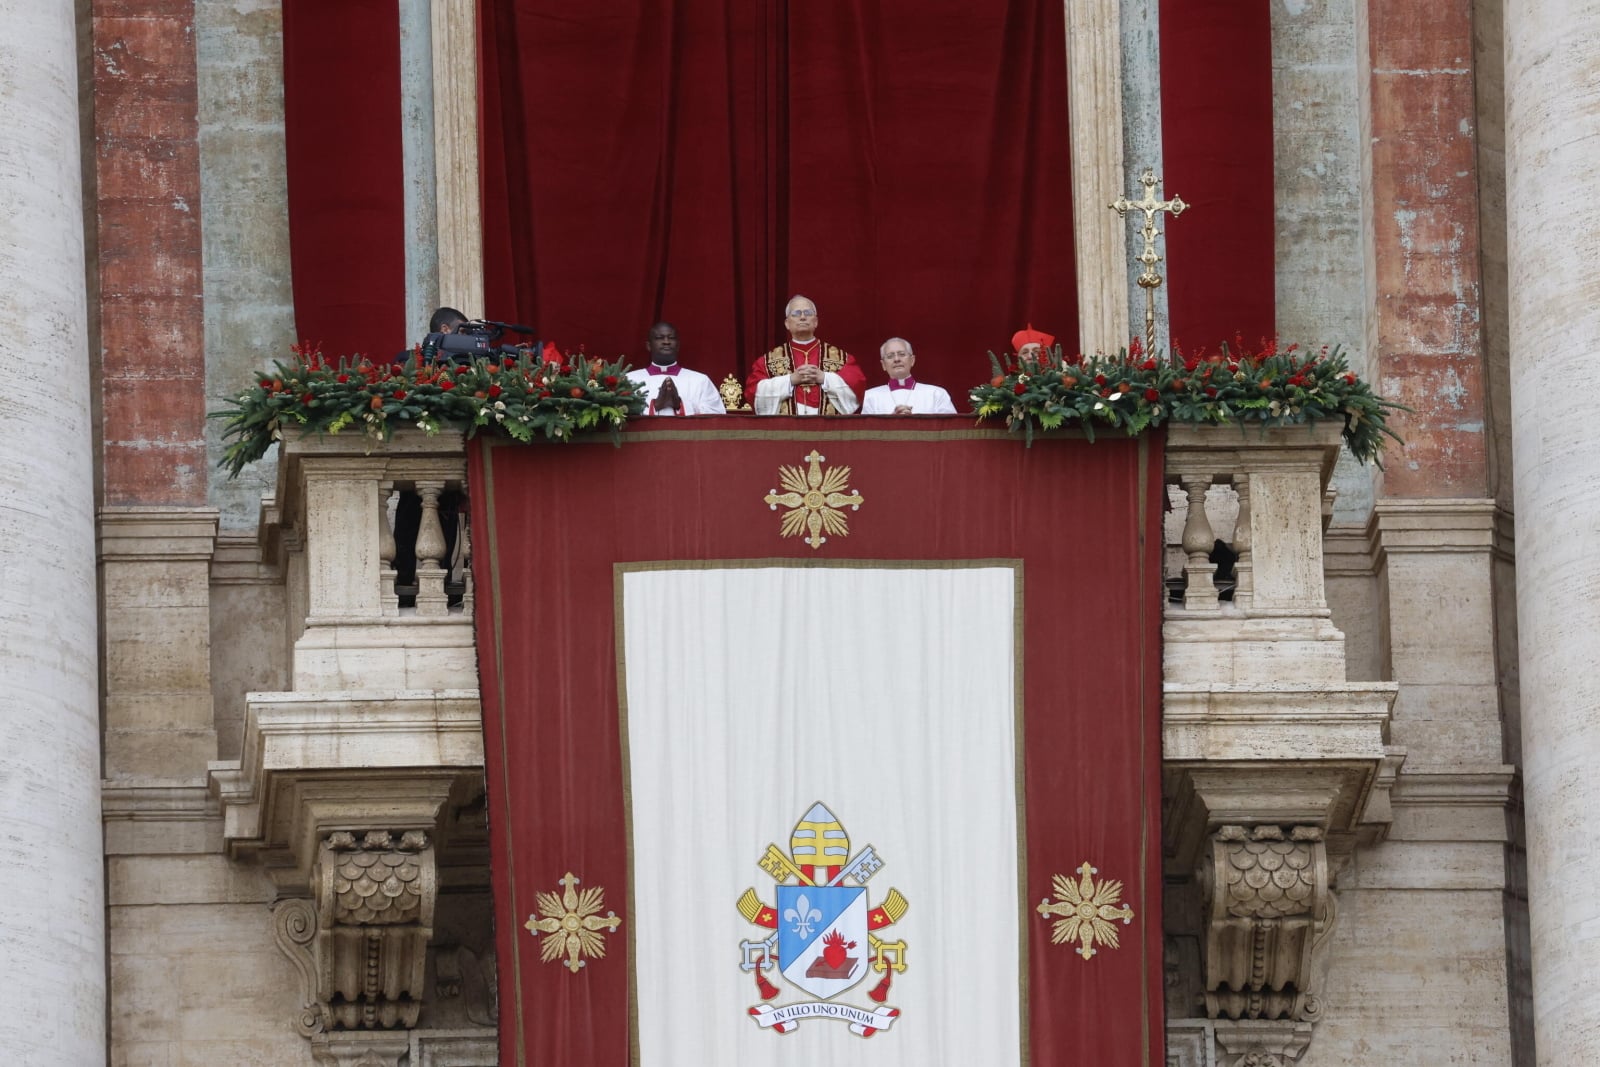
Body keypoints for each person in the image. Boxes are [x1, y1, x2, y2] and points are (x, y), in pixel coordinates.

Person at [743, 294, 866, 414]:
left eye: (808, 313)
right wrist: (790, 380)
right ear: (787, 323)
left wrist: (824, 378)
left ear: (816, 321)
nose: (802, 317)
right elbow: (752, 392)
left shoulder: (841, 358)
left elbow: (858, 386)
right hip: (786, 431)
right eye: (796, 314)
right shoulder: (766, 362)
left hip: (828, 431)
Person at [627, 322, 726, 416]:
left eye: (671, 338)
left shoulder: (700, 380)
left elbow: (717, 417)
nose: (666, 342)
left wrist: (679, 403)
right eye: (659, 338)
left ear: (678, 345)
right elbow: (619, 415)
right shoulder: (629, 380)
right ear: (649, 346)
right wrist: (655, 405)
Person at [861, 337, 958, 415]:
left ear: (912, 360)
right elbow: (865, 434)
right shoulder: (870, 397)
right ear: (883, 365)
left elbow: (950, 430)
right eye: (890, 356)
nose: (896, 359)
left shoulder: (937, 394)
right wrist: (890, 423)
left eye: (902, 354)